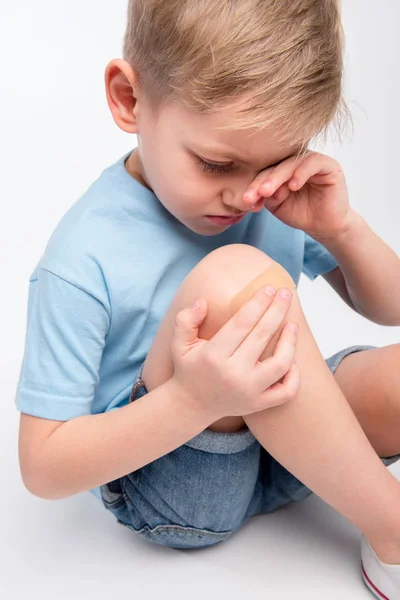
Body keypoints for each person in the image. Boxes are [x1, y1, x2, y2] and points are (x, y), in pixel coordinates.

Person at [15, 1, 400, 596]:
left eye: (276, 162)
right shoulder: (83, 255)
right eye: (216, 164)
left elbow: (390, 308)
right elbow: (42, 467)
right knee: (234, 278)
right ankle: (393, 529)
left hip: (286, 437)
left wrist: (339, 226)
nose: (246, 195)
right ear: (128, 99)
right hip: (174, 482)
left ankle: (347, 483)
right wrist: (195, 401)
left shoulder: (267, 196)